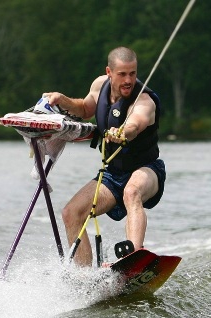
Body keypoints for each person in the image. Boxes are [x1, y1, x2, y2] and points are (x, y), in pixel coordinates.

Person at [44, 46, 166, 267]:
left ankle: (133, 258)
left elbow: (136, 123)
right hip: (113, 175)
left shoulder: (144, 100)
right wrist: (62, 100)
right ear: (109, 72)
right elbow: (84, 108)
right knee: (71, 213)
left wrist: (123, 133)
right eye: (122, 74)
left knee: (132, 192)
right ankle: (85, 278)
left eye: (133, 73)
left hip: (147, 170)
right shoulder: (100, 86)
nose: (128, 80)